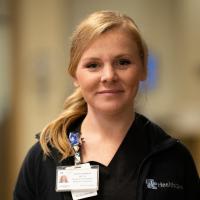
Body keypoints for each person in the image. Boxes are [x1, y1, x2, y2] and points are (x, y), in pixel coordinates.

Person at [14, 10, 199, 200]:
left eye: (123, 62)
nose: (109, 76)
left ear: (143, 69)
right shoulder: (43, 157)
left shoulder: (174, 158)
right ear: (74, 75)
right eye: (93, 65)